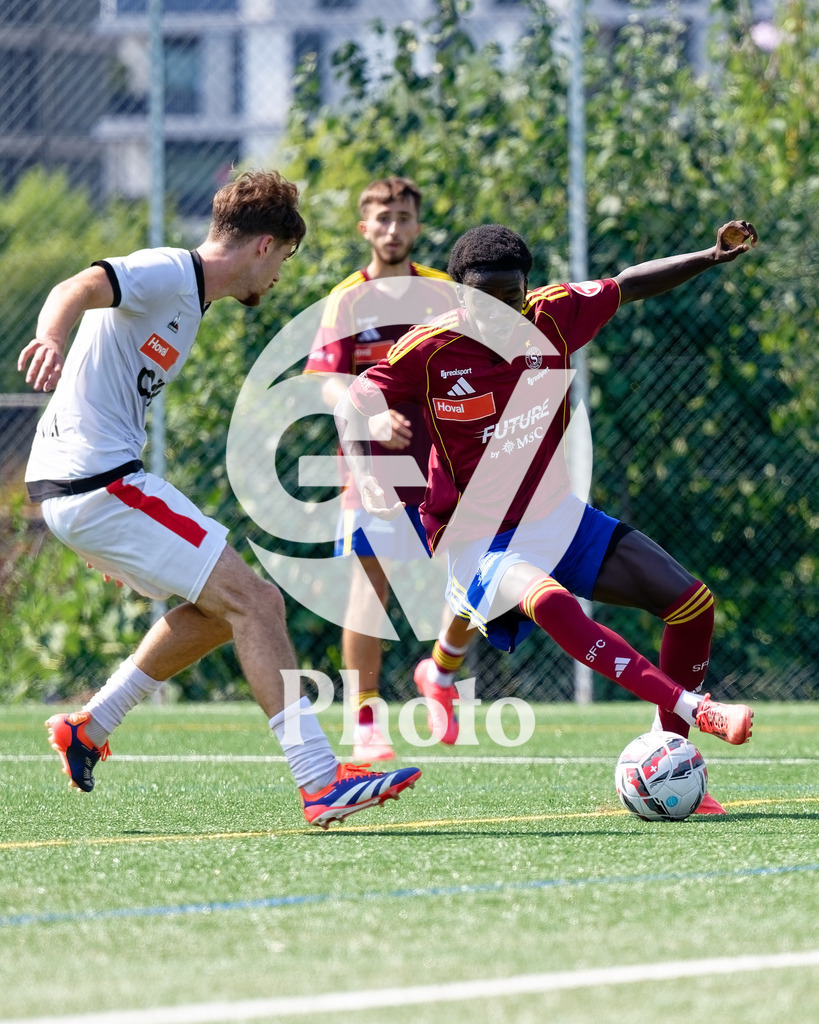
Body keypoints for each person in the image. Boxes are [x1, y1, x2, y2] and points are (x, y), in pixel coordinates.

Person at [17, 168, 421, 829]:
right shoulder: (171, 271)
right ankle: (320, 780)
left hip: (88, 487)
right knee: (258, 601)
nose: (279, 280)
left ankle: (90, 727)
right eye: (284, 261)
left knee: (221, 607)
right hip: (95, 480)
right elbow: (80, 285)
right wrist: (51, 336)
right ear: (264, 247)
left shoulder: (190, 303)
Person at [336, 219, 760, 810]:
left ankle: (671, 758)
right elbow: (357, 397)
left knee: (693, 606)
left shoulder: (553, 314)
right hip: (477, 537)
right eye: (485, 302)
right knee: (552, 602)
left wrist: (710, 256)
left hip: (559, 517)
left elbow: (627, 285)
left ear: (527, 289)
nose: (501, 314)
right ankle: (698, 711)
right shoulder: (429, 350)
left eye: (511, 298)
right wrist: (369, 457)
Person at [305, 176, 472, 759]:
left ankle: (441, 674)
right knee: (370, 585)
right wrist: (369, 413)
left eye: (403, 218)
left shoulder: (446, 292)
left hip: (447, 460)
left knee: (482, 576)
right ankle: (366, 720)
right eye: (382, 218)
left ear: (418, 226)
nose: (392, 229)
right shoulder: (347, 299)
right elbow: (327, 383)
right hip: (371, 466)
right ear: (364, 228)